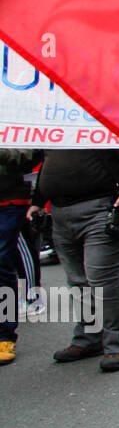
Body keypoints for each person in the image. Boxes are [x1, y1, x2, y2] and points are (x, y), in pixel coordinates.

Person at [32, 149, 119, 372]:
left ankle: (117, 343)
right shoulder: (53, 119)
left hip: (102, 206)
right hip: (60, 210)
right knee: (78, 279)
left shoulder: (100, 116)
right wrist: (38, 200)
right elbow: (44, 159)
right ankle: (90, 336)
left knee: (103, 277)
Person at [0, 148, 40, 365]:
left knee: (2, 266)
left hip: (8, 201)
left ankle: (4, 335)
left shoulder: (14, 115)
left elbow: (31, 155)